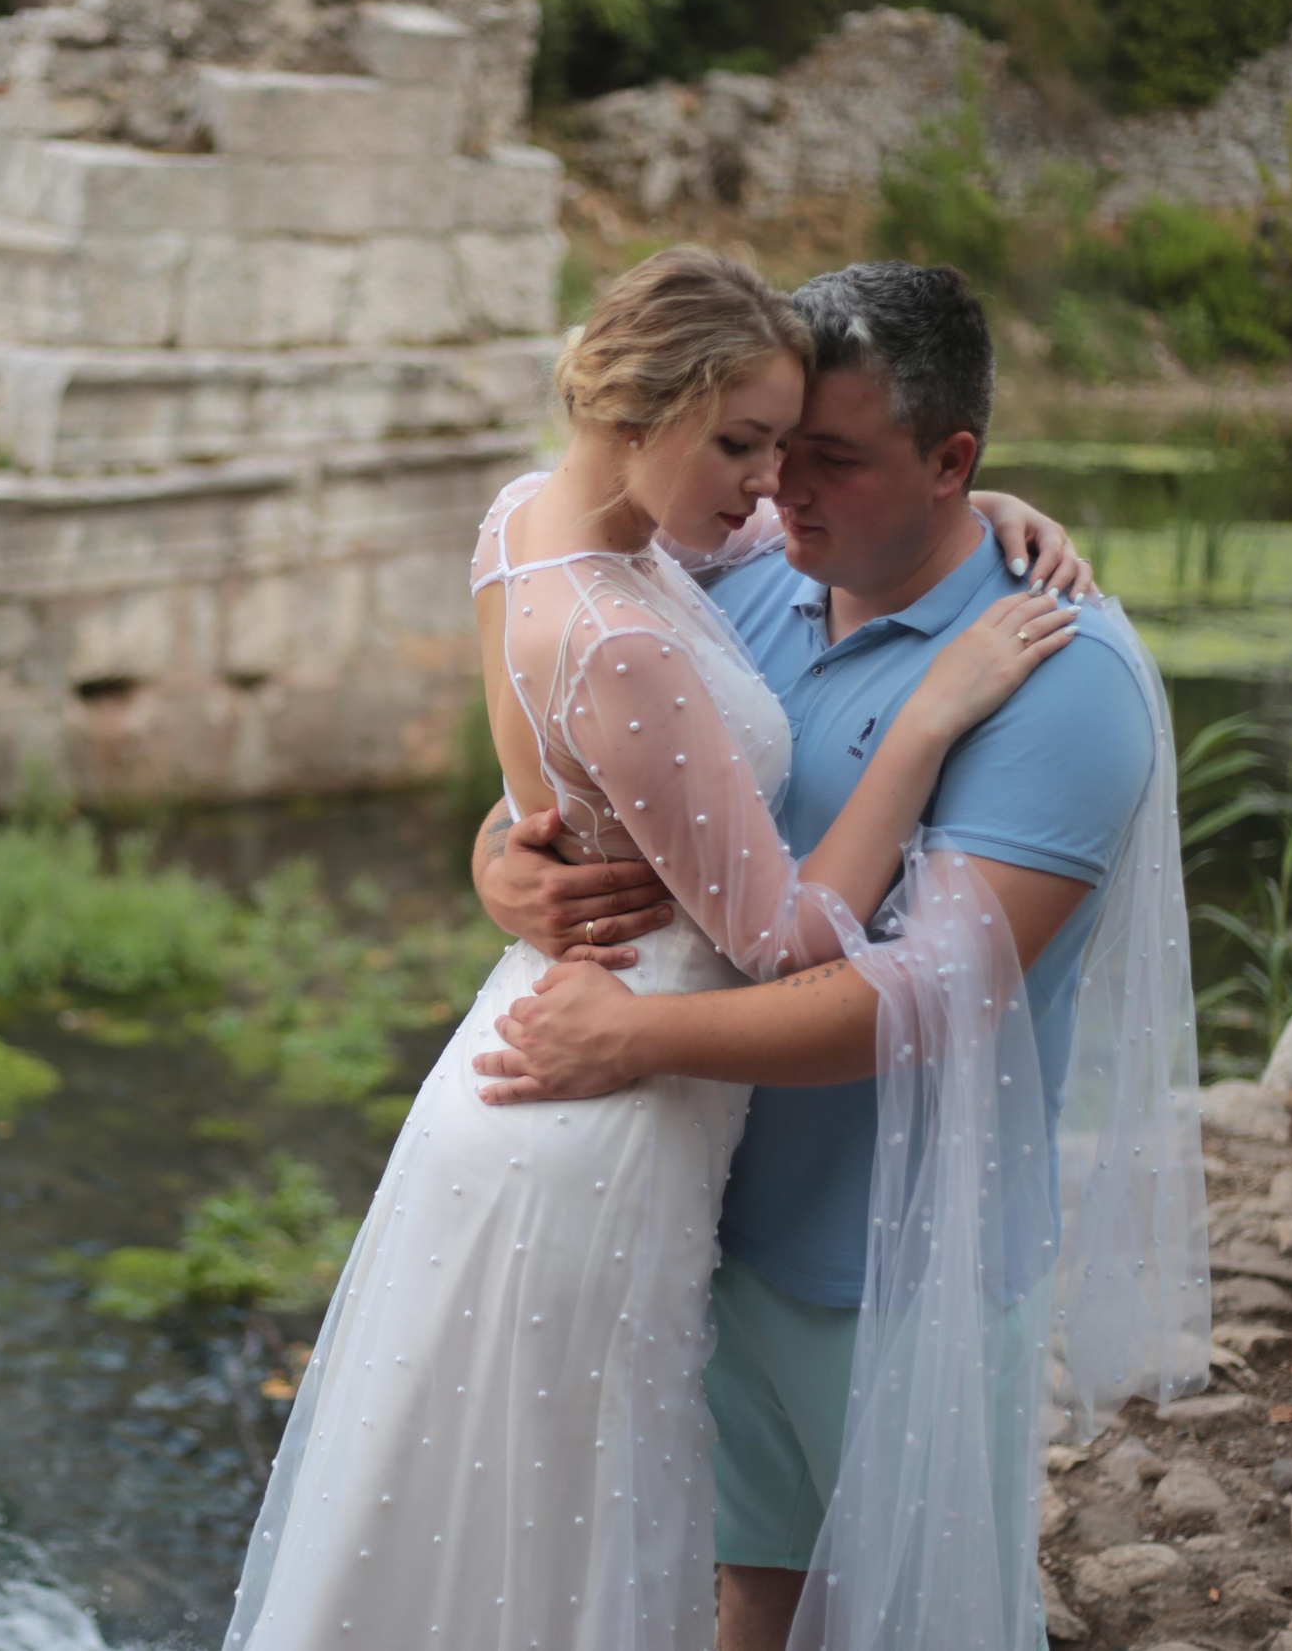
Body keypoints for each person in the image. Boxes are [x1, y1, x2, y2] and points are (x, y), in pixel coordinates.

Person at [221, 248, 1105, 1651]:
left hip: (541, 1066)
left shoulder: (537, 518)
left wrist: (969, 506)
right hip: (602, 1117)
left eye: (806, 455)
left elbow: (556, 793)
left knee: (492, 1532)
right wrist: (929, 718)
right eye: (749, 445)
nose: (770, 491)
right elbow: (785, 938)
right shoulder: (624, 632)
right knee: (556, 1555)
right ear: (650, 411)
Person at [470, 261, 1209, 1651]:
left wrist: (639, 1038)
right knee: (756, 1588)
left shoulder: (1065, 681)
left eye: (833, 463)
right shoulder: (746, 571)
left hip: (896, 1265)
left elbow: (929, 995)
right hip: (698, 1216)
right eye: (764, 451)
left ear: (954, 461)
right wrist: (506, 861)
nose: (775, 495)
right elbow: (603, 760)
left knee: (922, 1621)